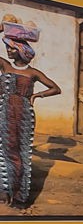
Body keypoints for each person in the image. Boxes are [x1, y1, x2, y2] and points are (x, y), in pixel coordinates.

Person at [0, 14, 60, 210]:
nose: (8, 50)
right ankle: (3, 192)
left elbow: (55, 88)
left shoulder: (32, 73)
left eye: (11, 47)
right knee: (3, 151)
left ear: (21, 51)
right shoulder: (4, 66)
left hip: (24, 115)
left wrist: (37, 96)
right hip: (4, 112)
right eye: (7, 46)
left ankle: (19, 197)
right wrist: (2, 29)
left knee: (22, 154)